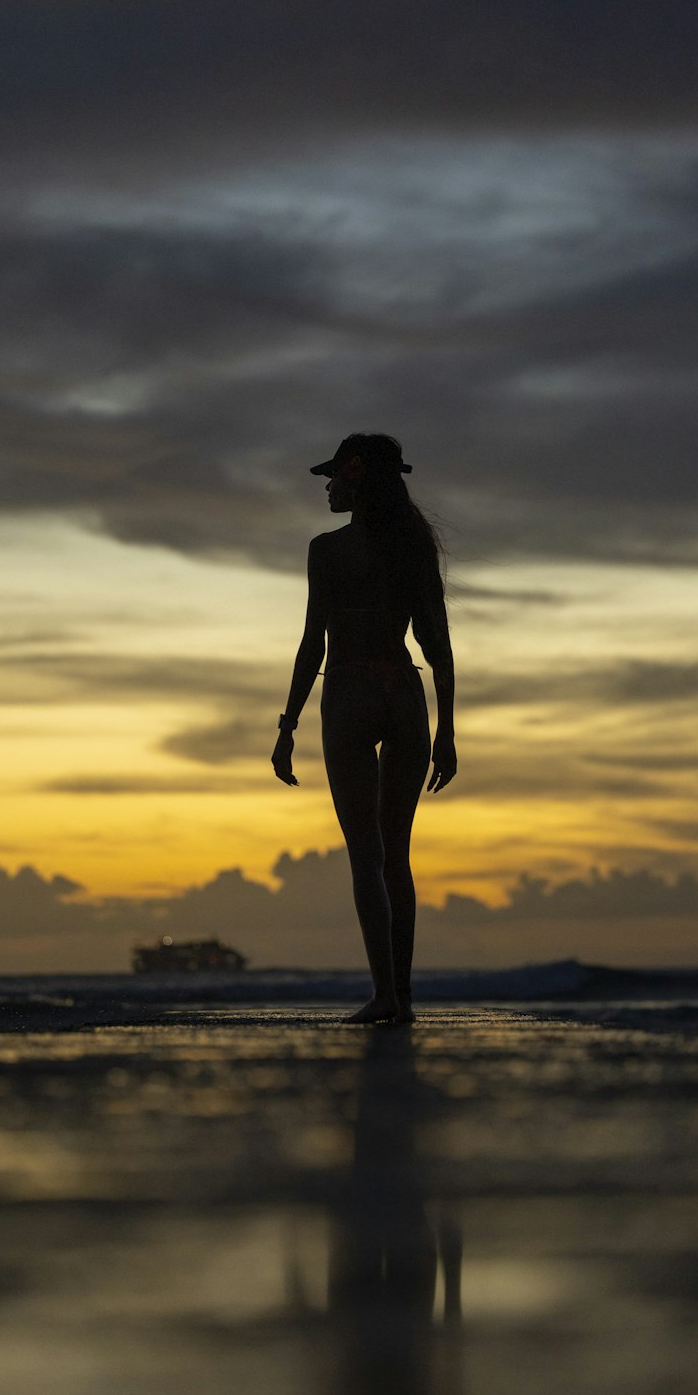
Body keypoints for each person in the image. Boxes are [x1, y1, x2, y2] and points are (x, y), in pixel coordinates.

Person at [271, 433, 456, 1024]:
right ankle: (400, 996)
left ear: (354, 482)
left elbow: (311, 643)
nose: (327, 488)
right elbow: (438, 646)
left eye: (333, 479)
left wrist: (287, 725)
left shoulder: (326, 550)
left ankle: (383, 996)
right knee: (395, 856)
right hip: (404, 690)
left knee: (365, 857)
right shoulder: (413, 548)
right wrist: (447, 730)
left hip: (349, 690)